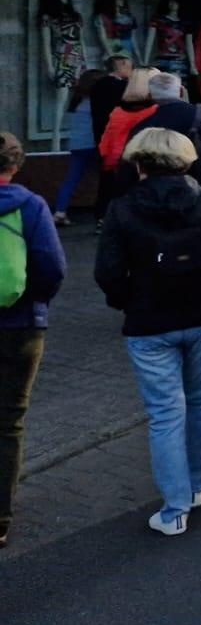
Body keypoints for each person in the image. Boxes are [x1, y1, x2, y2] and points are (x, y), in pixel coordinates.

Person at [93, 128, 201, 537]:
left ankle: (175, 508)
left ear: (138, 164)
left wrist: (126, 301)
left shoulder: (122, 209)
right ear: (187, 162)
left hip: (150, 322)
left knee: (165, 413)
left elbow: (107, 273)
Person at [0, 132, 68, 550]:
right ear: (16, 164)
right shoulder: (30, 206)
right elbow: (52, 269)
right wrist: (33, 301)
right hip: (20, 325)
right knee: (8, 422)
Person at [119, 72, 201, 201]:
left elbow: (128, 165)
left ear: (151, 96)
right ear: (181, 91)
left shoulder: (145, 126)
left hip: (156, 195)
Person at [52, 69, 104, 226]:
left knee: (71, 180)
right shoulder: (96, 103)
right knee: (106, 180)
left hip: (77, 145)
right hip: (94, 145)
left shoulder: (77, 102)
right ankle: (103, 214)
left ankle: (60, 212)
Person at [98, 65, 159, 188]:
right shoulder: (154, 111)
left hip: (115, 166)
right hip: (140, 168)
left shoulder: (118, 111)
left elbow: (106, 144)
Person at [88, 55, 132, 226]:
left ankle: (101, 215)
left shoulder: (97, 85)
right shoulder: (121, 87)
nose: (131, 70)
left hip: (101, 136)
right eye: (129, 66)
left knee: (105, 178)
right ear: (119, 65)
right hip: (118, 137)